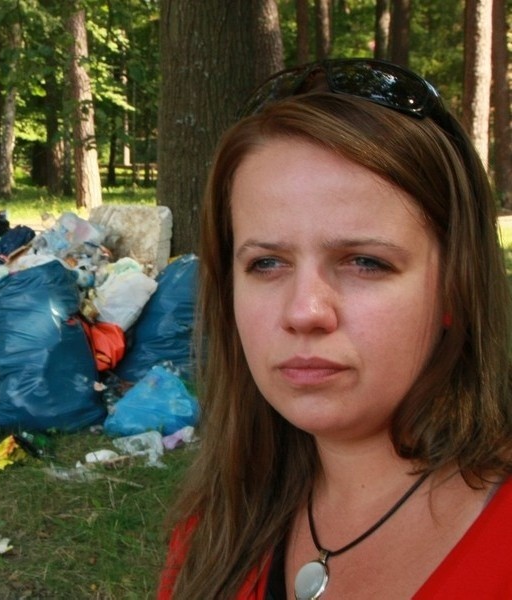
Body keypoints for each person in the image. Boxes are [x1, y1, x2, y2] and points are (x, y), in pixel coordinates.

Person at [159, 59, 512, 599]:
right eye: (267, 264)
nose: (304, 311)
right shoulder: (214, 529)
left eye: (364, 262)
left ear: (454, 287)